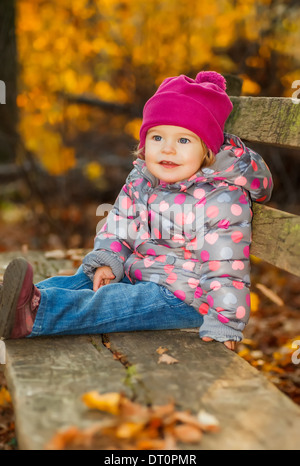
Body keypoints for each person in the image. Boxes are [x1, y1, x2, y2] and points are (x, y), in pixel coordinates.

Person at [0, 71, 273, 350]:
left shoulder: (222, 197)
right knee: (83, 278)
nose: (167, 149)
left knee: (111, 303)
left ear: (207, 150)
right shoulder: (142, 180)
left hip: (185, 298)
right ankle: (15, 304)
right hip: (138, 275)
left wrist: (225, 323)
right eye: (157, 137)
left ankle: (38, 314)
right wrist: (109, 258)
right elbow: (120, 225)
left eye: (183, 140)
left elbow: (226, 269)